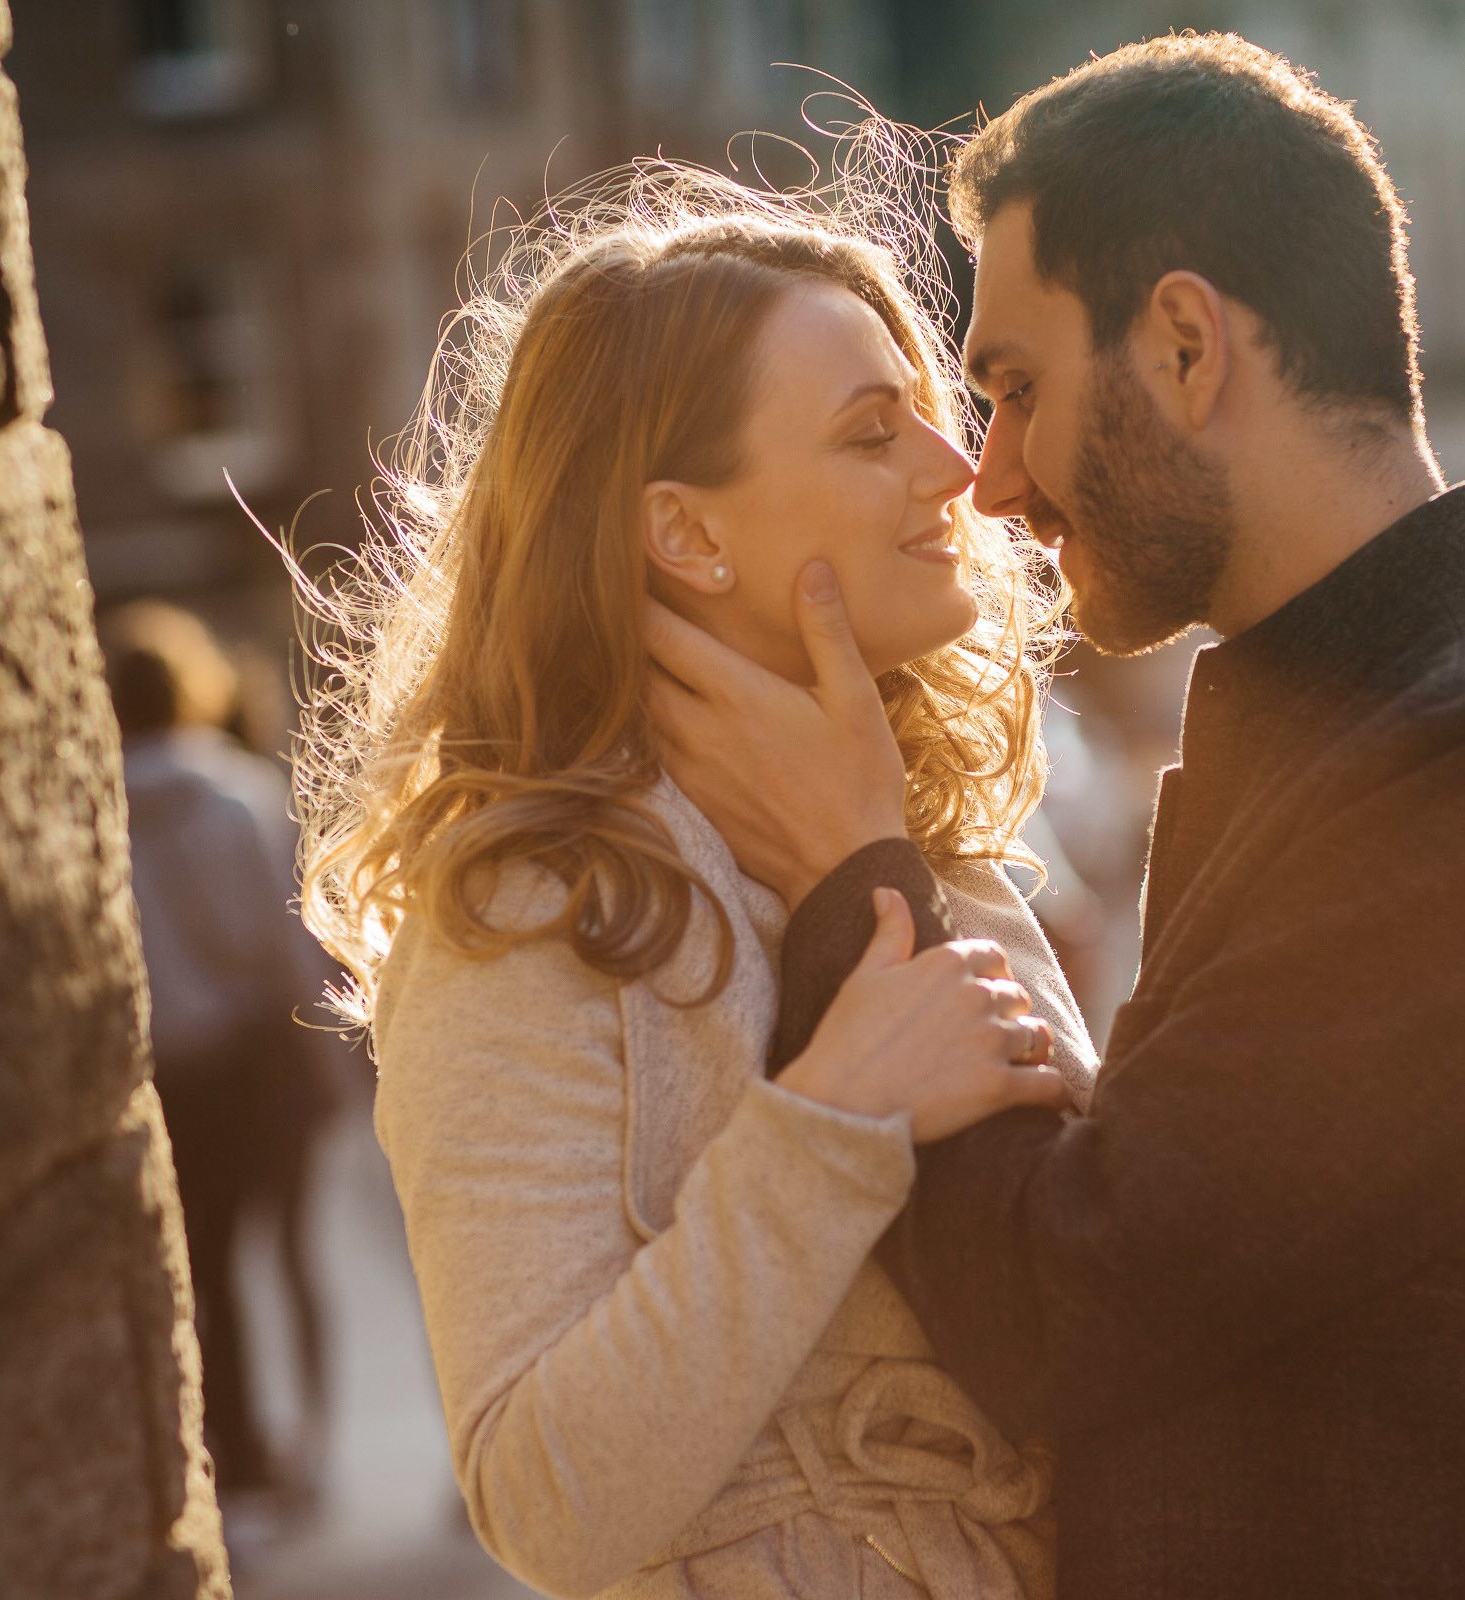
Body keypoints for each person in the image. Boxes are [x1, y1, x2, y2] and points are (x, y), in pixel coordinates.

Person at [647, 36, 1465, 1599]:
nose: (993, 480)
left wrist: (853, 873)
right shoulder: (1371, 720)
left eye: (1016, 388)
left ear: (1181, 346)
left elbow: (1064, 1307)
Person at [291, 164, 1096, 1599]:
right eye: (871, 433)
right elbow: (545, 1500)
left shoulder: (931, 849)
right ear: (688, 534)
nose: (956, 468)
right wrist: (835, 1118)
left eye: (924, 408)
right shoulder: (534, 911)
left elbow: (1090, 1294)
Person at [102, 600, 340, 1502]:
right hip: (258, 1061)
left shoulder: (97, 807)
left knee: (202, 1272)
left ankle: (236, 1453)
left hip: (171, 1075)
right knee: (291, 1252)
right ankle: (316, 1440)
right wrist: (331, 1066)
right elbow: (292, 945)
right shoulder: (239, 792)